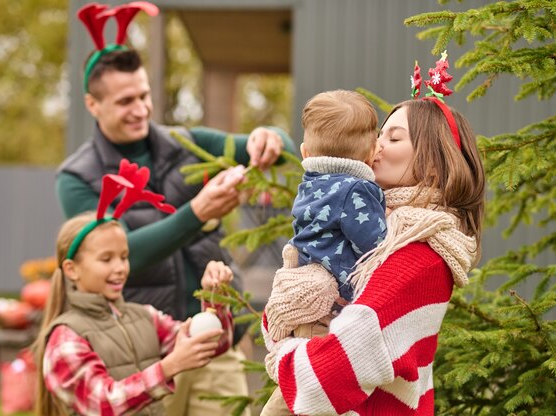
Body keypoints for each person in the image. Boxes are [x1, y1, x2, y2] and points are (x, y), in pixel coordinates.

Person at [57, 44, 296, 415]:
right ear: (93, 105)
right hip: (143, 353)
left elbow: (282, 150)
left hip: (218, 340)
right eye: (124, 101)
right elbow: (123, 256)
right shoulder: (78, 177)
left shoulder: (189, 144)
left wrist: (269, 136)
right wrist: (197, 212)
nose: (139, 110)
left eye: (143, 95)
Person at [261, 95, 486, 415]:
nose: (377, 145)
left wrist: (282, 348)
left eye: (393, 138)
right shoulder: (374, 228)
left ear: (434, 167)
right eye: (378, 134)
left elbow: (322, 381)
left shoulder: (420, 253)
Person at [34, 211, 235, 416]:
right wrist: (168, 367)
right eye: (106, 259)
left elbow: (212, 345)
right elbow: (102, 404)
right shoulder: (66, 338)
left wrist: (215, 297)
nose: (120, 267)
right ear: (71, 270)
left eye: (124, 257)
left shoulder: (145, 317)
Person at [261, 90, 386, 415]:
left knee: (294, 393)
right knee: (312, 396)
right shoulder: (357, 190)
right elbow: (377, 245)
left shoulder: (310, 185)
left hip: (305, 306)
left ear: (305, 151)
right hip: (329, 311)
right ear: (373, 153)